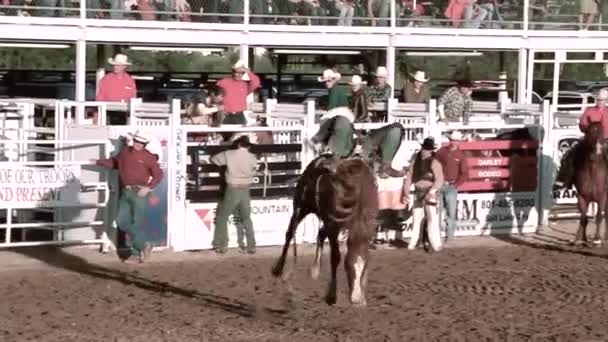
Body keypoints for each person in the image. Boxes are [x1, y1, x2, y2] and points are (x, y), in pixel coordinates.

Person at [311, 70, 404, 178]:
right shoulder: (354, 95)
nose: (327, 82)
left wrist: (356, 119)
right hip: (354, 123)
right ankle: (384, 166)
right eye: (353, 85)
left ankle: (339, 156)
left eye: (329, 80)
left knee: (343, 124)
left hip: (356, 124)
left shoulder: (357, 95)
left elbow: (362, 113)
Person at [94, 131, 163, 263]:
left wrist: (148, 187)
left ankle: (137, 253)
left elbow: (158, 175)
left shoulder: (149, 157)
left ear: (145, 144)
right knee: (122, 221)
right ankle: (144, 246)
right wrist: (98, 161)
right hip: (127, 191)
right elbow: (114, 163)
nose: (138, 144)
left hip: (138, 191)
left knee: (135, 222)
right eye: (137, 141)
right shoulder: (125, 152)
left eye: (141, 143)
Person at [210, 133, 259, 254]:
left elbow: (214, 160)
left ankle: (221, 245)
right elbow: (255, 170)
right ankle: (251, 245)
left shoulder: (229, 154)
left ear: (238, 144)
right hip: (245, 189)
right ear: (248, 146)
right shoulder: (253, 157)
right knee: (246, 218)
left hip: (232, 188)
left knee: (222, 216)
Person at [555, 88, 608, 189]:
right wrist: (586, 128)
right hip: (589, 140)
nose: (600, 102)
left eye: (602, 100)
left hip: (606, 140)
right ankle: (562, 180)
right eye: (598, 99)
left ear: (606, 101)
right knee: (569, 155)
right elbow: (582, 124)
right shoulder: (589, 110)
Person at [402, 137, 444, 251]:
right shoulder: (415, 163)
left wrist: (432, 191)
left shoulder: (435, 163)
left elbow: (439, 179)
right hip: (418, 192)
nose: (427, 151)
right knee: (417, 219)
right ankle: (413, 243)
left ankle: (436, 244)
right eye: (426, 149)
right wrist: (406, 193)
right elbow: (408, 179)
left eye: (429, 150)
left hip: (430, 192)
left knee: (432, 219)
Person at [435, 130, 468, 242]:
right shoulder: (442, 152)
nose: (455, 142)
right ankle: (437, 236)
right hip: (440, 184)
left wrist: (456, 185)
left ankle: (449, 237)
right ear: (450, 140)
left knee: (451, 213)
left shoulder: (461, 156)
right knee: (437, 213)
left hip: (451, 186)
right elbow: (434, 165)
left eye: (457, 141)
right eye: (453, 140)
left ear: (459, 142)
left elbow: (464, 174)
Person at [96, 53, 137, 125]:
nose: (115, 67)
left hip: (125, 114)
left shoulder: (129, 80)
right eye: (114, 65)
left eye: (118, 65)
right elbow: (100, 97)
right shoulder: (106, 79)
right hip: (107, 113)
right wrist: (97, 115)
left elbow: (133, 97)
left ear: (124, 66)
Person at [216, 60, 261, 125]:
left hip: (239, 116)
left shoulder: (245, 85)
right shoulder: (223, 82)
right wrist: (217, 108)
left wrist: (248, 72)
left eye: (242, 73)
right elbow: (214, 95)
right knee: (222, 134)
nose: (239, 75)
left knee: (242, 134)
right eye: (237, 72)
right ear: (233, 72)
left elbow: (256, 83)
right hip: (224, 115)